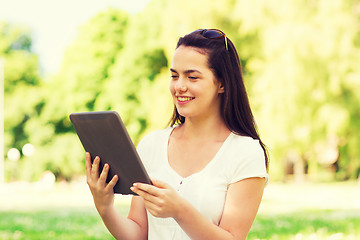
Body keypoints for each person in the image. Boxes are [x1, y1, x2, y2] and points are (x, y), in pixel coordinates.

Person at [85, 28, 269, 240]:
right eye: (174, 76)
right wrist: (105, 207)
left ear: (222, 84)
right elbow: (138, 234)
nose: (179, 86)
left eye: (192, 77)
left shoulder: (245, 152)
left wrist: (179, 210)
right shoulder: (151, 145)